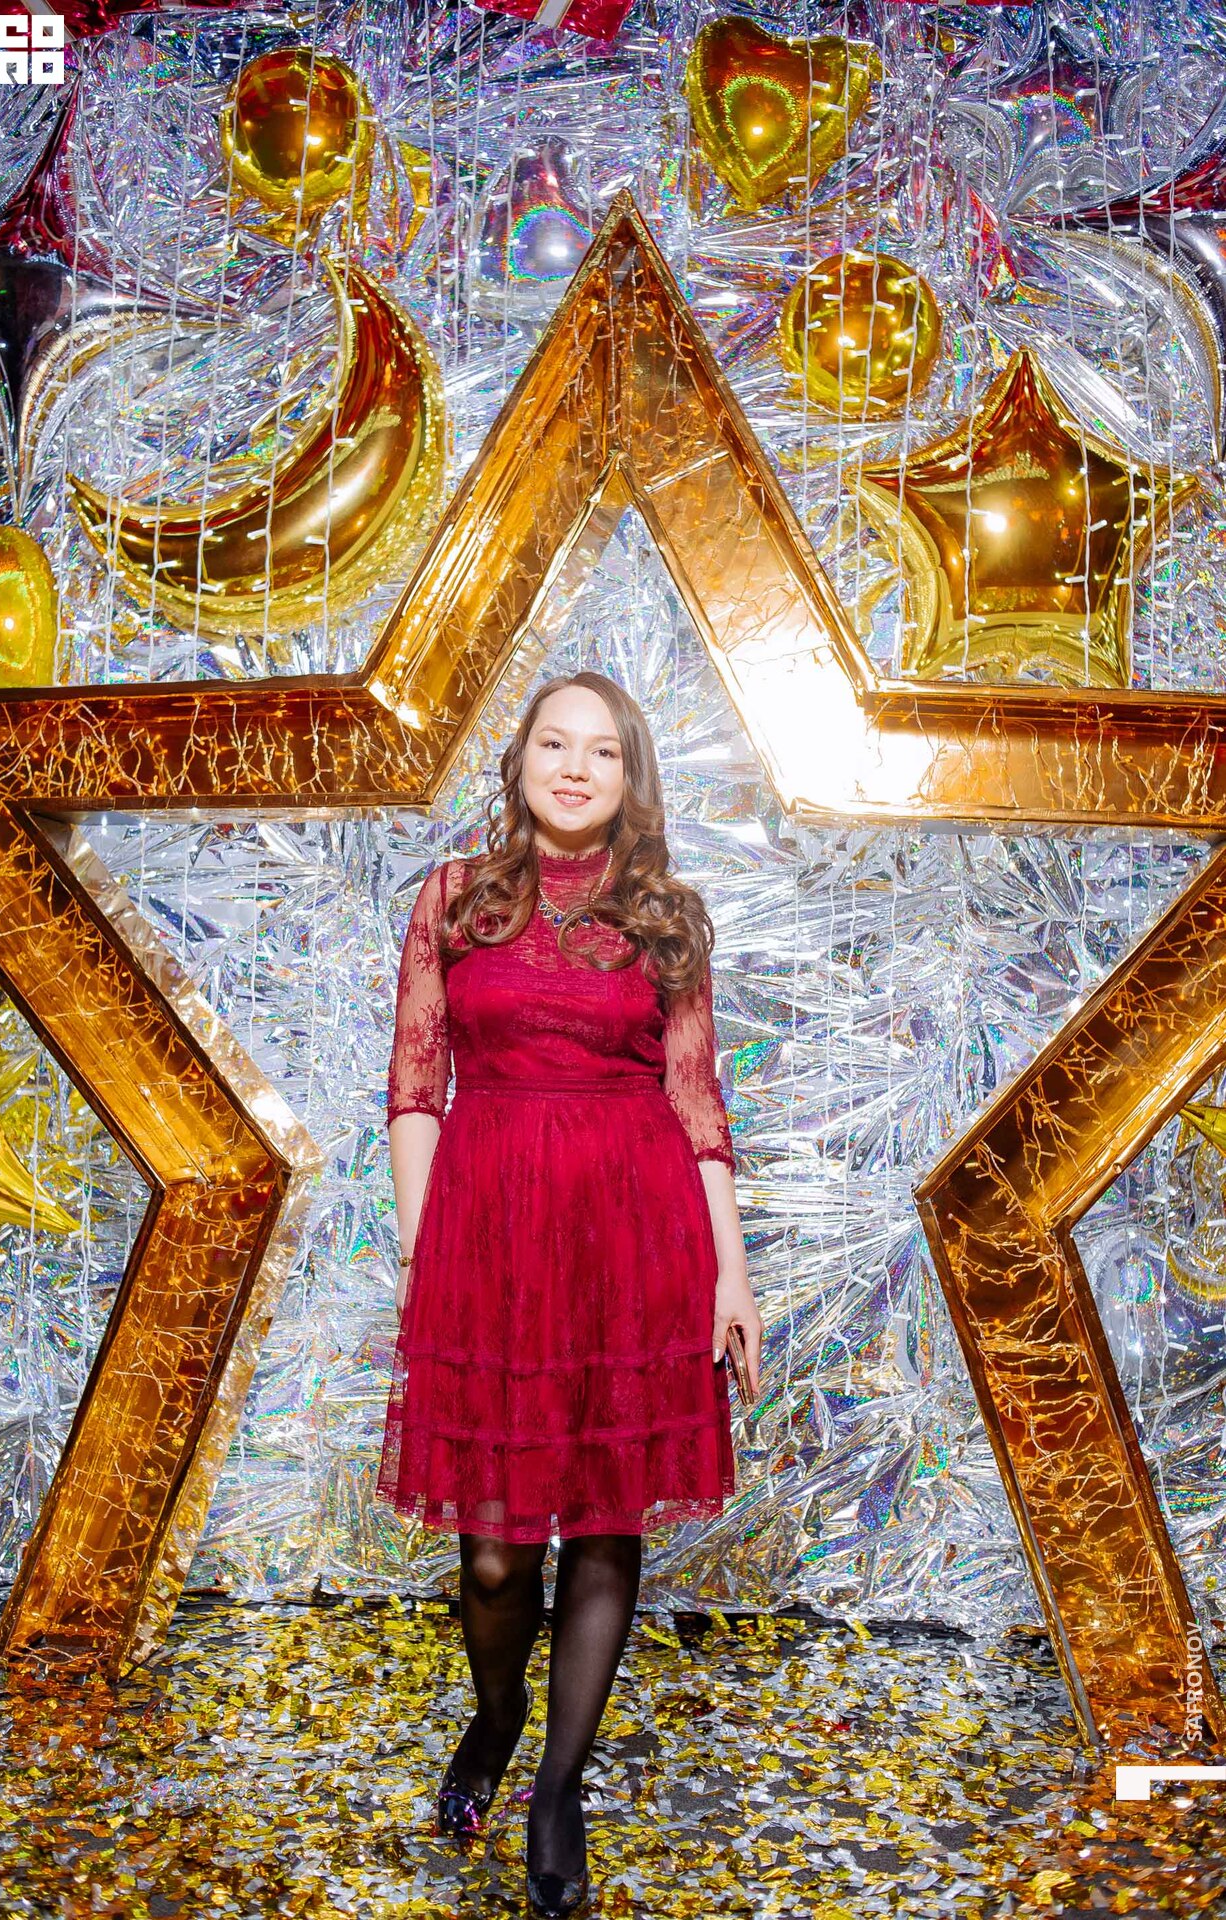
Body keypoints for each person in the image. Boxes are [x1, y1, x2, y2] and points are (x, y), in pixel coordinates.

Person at [375, 669, 762, 1916]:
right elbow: (416, 1082)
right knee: (494, 1558)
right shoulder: (455, 898)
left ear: (629, 774)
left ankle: (555, 1789)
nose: (576, 767)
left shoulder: (665, 916)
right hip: (489, 1239)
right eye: (555, 743)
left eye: (602, 750)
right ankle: (495, 1720)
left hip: (632, 1241)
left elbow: (694, 1099)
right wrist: (427, 1250)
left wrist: (730, 1272)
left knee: (602, 1522)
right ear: (523, 761)